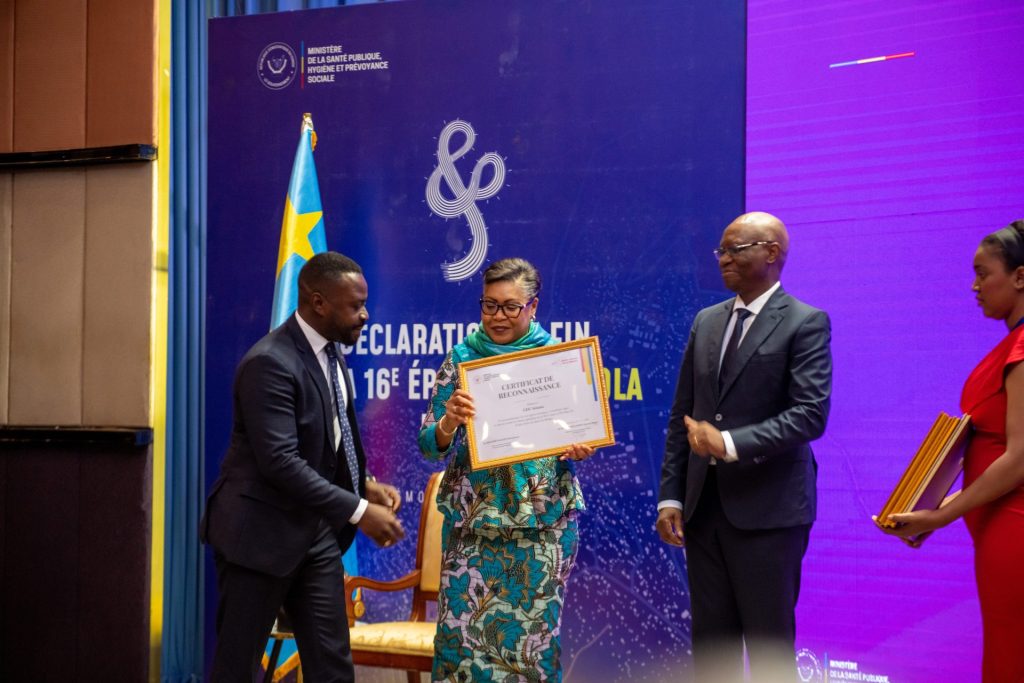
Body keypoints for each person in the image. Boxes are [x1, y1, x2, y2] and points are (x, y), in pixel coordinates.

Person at [200, 252, 406, 682]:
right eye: (355, 305)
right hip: (257, 538)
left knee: (332, 668)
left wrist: (363, 485)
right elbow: (280, 462)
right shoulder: (270, 362)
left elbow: (326, 440)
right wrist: (359, 510)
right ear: (318, 302)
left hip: (313, 536)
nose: (365, 315)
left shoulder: (331, 355)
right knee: (236, 669)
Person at [656, 212, 832, 681]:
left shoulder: (805, 322)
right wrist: (671, 497)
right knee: (713, 654)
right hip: (704, 512)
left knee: (770, 652)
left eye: (735, 249)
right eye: (721, 250)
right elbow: (682, 414)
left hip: (770, 514)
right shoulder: (707, 321)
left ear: (771, 252)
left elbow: (809, 415)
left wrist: (729, 443)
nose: (723, 259)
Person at [417, 257, 596, 682]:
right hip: (473, 528)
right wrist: (448, 422)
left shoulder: (559, 361)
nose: (498, 316)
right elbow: (428, 445)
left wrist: (579, 447)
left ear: (533, 306)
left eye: (511, 306)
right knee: (462, 650)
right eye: (489, 305)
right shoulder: (461, 359)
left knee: (530, 651)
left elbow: (580, 434)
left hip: (542, 528)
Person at [880, 220, 1024, 682]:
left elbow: (1018, 459)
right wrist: (931, 509)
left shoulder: (1022, 349)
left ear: (1020, 277)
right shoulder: (1010, 346)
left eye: (983, 274)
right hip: (998, 528)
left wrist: (940, 515)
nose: (974, 286)